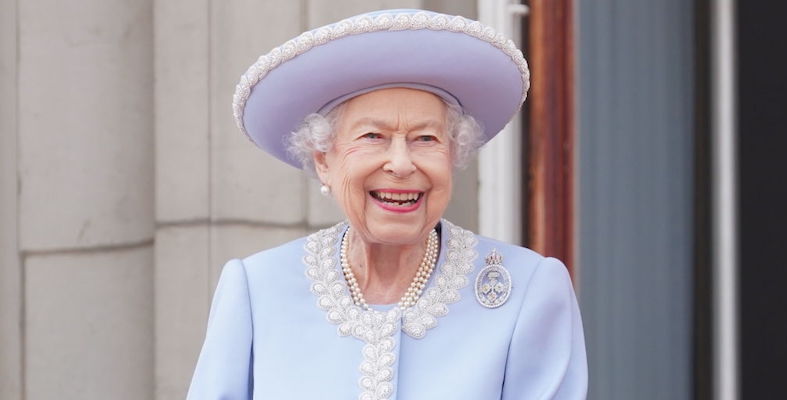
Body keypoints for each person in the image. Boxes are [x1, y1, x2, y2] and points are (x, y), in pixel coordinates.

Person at [188, 9, 587, 400]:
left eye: (425, 139)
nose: (400, 163)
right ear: (324, 160)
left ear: (453, 155)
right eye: (373, 136)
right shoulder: (258, 289)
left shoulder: (528, 291)